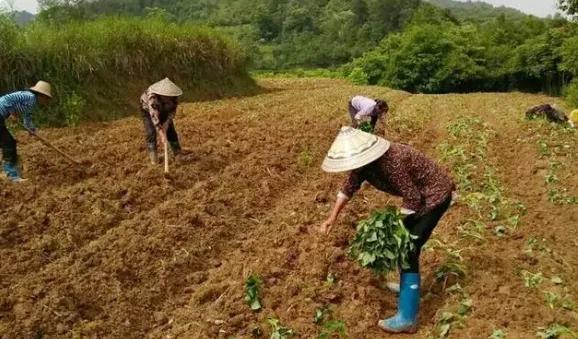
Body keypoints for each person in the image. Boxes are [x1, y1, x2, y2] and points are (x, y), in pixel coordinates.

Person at [320, 127, 456, 333]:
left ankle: (407, 318)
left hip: (435, 196)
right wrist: (332, 217)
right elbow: (348, 187)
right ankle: (406, 288)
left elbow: (412, 197)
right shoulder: (363, 164)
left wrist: (395, 225)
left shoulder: (392, 161)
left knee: (409, 247)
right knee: (405, 245)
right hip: (421, 197)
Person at [0, 81, 52, 182]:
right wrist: (12, 113)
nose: (46, 101)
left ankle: (8, 172)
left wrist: (14, 114)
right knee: (9, 144)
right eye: (46, 98)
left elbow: (23, 114)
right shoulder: (31, 99)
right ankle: (11, 176)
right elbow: (8, 102)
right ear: (41, 96)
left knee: (6, 142)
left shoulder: (28, 98)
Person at [140, 78, 183, 164]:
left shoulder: (174, 99)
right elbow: (154, 117)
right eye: (166, 96)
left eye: (170, 96)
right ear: (161, 94)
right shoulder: (152, 97)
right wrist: (162, 134)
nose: (168, 97)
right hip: (148, 110)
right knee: (151, 132)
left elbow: (171, 113)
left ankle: (177, 154)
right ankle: (154, 158)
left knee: (171, 131)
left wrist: (166, 124)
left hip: (164, 110)